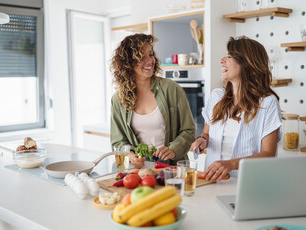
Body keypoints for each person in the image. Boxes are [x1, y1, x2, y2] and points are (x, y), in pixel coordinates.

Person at [191, 36, 282, 181]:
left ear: (247, 62)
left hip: (250, 184)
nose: (222, 60)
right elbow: (206, 134)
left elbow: (268, 154)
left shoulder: (267, 103)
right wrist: (202, 140)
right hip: (212, 180)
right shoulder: (217, 97)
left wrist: (231, 164)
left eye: (229, 56)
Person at [110, 33, 195, 168]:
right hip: (138, 170)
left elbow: (188, 130)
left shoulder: (171, 89)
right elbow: (118, 141)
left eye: (150, 55)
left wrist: (173, 149)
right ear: (128, 63)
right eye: (141, 57)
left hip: (170, 168)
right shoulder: (118, 99)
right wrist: (131, 156)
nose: (149, 61)